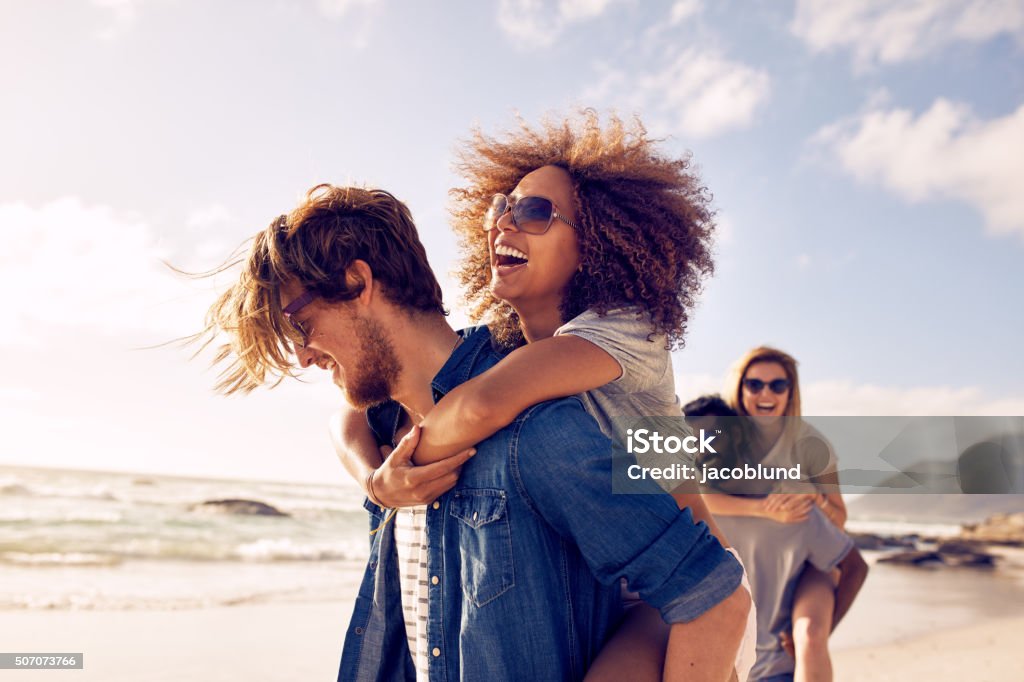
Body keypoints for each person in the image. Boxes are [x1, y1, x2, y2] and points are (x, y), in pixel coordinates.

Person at [199, 183, 751, 681]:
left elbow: (713, 595)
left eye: (300, 324)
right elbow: (345, 422)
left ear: (357, 281)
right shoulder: (387, 432)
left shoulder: (537, 424)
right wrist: (375, 481)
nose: (301, 356)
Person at [331, 112, 754, 680]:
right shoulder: (507, 347)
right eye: (500, 208)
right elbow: (357, 417)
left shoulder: (624, 331)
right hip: (606, 589)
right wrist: (371, 479)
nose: (504, 223)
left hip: (677, 598)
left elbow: (478, 407)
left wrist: (399, 476)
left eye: (533, 212)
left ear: (598, 244)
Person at [696, 347, 868, 682]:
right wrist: (762, 510)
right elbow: (701, 492)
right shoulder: (729, 436)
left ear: (791, 392)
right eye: (755, 384)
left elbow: (840, 518)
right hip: (758, 548)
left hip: (809, 562)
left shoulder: (810, 444)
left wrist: (813, 497)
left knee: (810, 637)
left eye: (777, 385)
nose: (765, 394)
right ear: (741, 388)